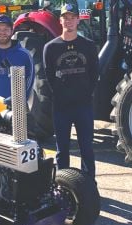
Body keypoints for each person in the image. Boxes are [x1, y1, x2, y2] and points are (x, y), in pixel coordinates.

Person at [43, 3, 99, 180]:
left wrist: (83, 93)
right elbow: (49, 76)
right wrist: (62, 93)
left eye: (72, 17)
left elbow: (94, 74)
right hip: (61, 107)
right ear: (60, 20)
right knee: (62, 149)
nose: (69, 21)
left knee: (86, 148)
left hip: (83, 105)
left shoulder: (88, 46)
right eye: (65, 17)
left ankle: (89, 184)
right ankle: (63, 183)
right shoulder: (50, 48)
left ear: (78, 20)